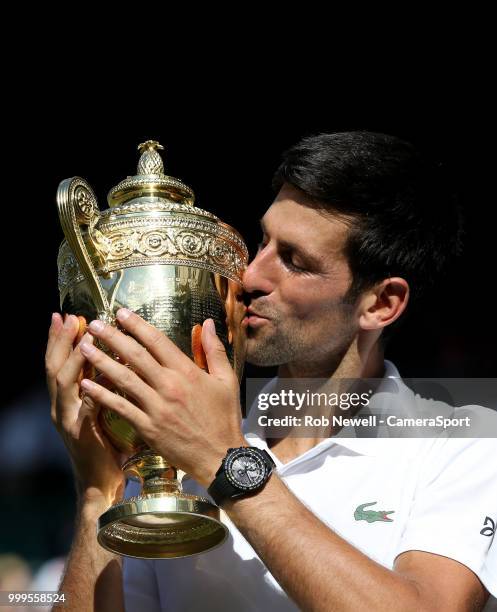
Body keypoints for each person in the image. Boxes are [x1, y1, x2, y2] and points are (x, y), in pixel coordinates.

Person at [46, 132, 497, 611]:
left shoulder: (462, 443)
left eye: (295, 262)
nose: (253, 276)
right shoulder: (174, 448)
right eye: (263, 242)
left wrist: (226, 461)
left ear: (381, 304)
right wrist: (98, 489)